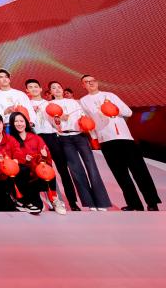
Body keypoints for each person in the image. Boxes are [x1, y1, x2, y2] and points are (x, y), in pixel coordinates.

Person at [80, 75, 160, 211]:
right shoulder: (83, 101)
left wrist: (112, 107)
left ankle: (152, 202)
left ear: (97, 82)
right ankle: (134, 204)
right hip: (106, 140)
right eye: (87, 82)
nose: (90, 83)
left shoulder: (110, 95)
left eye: (92, 81)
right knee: (120, 174)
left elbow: (128, 112)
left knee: (139, 171)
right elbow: (89, 121)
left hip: (124, 138)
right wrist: (94, 138)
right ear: (83, 86)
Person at [48, 81, 111, 211]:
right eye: (54, 88)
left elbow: (84, 118)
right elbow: (52, 124)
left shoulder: (74, 102)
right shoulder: (49, 105)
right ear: (51, 92)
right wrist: (59, 119)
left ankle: (101, 202)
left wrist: (93, 137)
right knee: (76, 170)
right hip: (65, 138)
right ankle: (90, 203)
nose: (57, 89)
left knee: (91, 167)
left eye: (59, 87)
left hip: (80, 136)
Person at [26, 79, 77, 210]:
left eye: (36, 86)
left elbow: (57, 124)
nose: (34, 89)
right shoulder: (26, 105)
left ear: (41, 89)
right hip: (36, 138)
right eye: (30, 87)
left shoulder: (49, 104)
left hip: (52, 137)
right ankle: (50, 199)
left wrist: (58, 120)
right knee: (42, 169)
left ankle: (72, 202)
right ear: (27, 91)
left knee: (63, 169)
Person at [7, 112, 63, 215]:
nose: (19, 124)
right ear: (12, 123)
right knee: (38, 207)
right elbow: (11, 159)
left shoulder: (36, 138)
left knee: (48, 170)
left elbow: (46, 158)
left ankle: (54, 199)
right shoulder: (10, 140)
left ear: (26, 122)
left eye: (21, 121)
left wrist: (44, 156)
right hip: (24, 178)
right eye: (16, 121)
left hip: (37, 175)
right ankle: (18, 198)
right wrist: (24, 160)